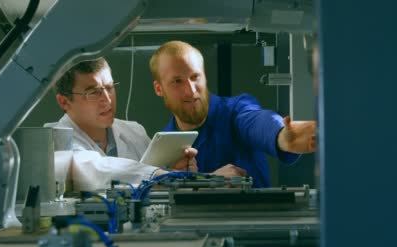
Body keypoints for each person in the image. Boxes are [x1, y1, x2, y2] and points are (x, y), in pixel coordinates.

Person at [149, 40, 316, 188]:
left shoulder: (235, 111)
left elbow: (256, 121)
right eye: (177, 81)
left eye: (195, 77)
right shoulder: (164, 147)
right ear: (159, 89)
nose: (191, 91)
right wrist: (206, 181)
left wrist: (280, 135)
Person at [49, 57, 197, 191]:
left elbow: (152, 179)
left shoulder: (134, 131)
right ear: (64, 101)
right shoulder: (54, 139)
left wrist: (176, 170)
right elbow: (93, 169)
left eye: (109, 87)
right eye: (93, 92)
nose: (107, 99)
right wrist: (158, 175)